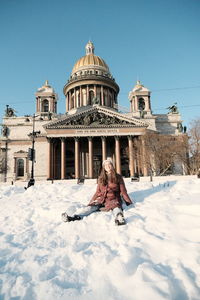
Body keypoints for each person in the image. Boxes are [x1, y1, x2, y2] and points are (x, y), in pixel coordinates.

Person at [61, 158, 133, 225]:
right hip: (101, 200)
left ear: (112, 166)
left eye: (109, 164)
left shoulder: (118, 177)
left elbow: (123, 191)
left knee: (116, 207)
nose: (107, 166)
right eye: (106, 165)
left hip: (113, 199)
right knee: (90, 208)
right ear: (104, 167)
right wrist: (91, 202)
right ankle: (75, 217)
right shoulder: (101, 178)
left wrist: (129, 203)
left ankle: (120, 218)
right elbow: (97, 192)